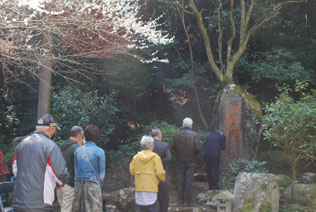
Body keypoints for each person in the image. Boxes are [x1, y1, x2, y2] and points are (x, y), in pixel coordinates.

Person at [12, 114, 69, 212]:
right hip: (41, 204)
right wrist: (65, 180)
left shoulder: (21, 145)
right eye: (55, 129)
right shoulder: (50, 146)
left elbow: (15, 170)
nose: (54, 132)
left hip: (19, 202)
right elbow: (60, 174)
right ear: (51, 128)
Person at [72, 124, 105, 212]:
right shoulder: (100, 152)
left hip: (79, 184)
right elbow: (102, 175)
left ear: (85, 135)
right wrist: (99, 187)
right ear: (97, 136)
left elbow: (76, 169)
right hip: (93, 184)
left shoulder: (78, 150)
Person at [130, 136, 165, 212]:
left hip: (140, 186)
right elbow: (160, 173)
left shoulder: (136, 157)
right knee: (152, 207)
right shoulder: (155, 157)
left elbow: (132, 170)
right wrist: (162, 178)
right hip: (151, 186)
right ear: (151, 146)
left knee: (140, 208)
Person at [173, 117, 202, 206]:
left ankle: (179, 201)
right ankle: (188, 202)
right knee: (189, 180)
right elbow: (198, 148)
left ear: (183, 124)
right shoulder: (195, 134)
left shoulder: (177, 134)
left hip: (179, 160)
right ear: (191, 125)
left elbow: (174, 147)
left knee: (180, 180)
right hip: (191, 160)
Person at [56, 126, 84, 212]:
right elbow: (80, 167)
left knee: (63, 208)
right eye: (82, 136)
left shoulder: (59, 146)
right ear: (79, 135)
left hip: (58, 184)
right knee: (66, 210)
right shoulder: (76, 148)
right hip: (70, 184)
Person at [150, 129, 171, 212]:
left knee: (151, 197)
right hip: (162, 174)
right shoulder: (165, 145)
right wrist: (159, 163)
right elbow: (168, 158)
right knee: (164, 197)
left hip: (150, 174)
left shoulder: (148, 145)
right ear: (159, 136)